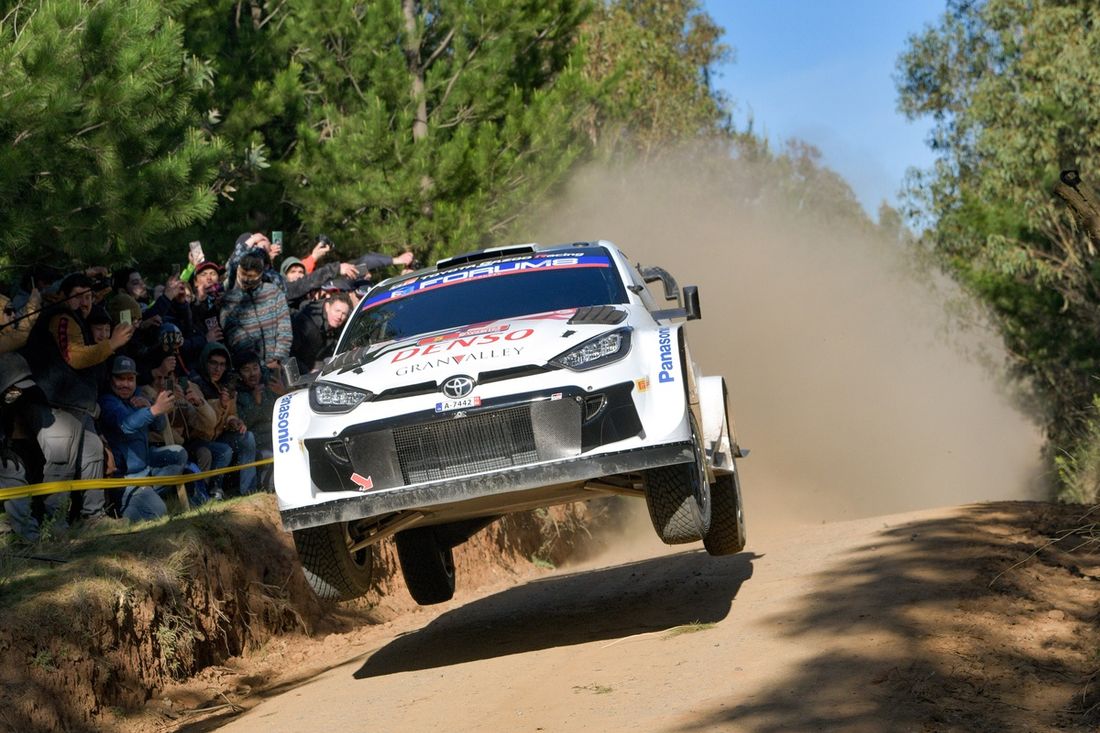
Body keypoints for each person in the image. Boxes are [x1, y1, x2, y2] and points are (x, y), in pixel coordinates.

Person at [21, 272, 134, 522]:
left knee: (93, 453)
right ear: (64, 296)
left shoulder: (77, 318)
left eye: (89, 296)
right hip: (54, 406)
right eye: (78, 296)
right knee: (60, 463)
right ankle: (56, 525)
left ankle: (92, 517)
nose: (85, 302)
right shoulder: (61, 317)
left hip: (77, 407)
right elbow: (75, 356)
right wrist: (112, 344)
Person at [98, 355, 187, 520]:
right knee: (159, 510)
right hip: (125, 478)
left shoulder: (138, 396)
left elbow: (160, 427)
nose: (126, 384)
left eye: (130, 379)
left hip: (145, 468)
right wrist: (153, 410)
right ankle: (124, 514)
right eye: (120, 379)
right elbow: (127, 426)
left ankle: (145, 496)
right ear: (111, 380)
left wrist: (151, 407)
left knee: (178, 454)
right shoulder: (107, 402)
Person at [0, 353, 57, 542]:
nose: (17, 394)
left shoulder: (14, 402)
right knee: (11, 473)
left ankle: (28, 536)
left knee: (14, 472)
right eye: (13, 389)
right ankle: (30, 540)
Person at [190, 343, 257, 496]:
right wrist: (220, 404)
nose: (217, 369)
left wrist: (234, 421)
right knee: (224, 451)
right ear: (204, 362)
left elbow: (231, 413)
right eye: (213, 363)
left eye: (222, 364)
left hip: (219, 436)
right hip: (198, 439)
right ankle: (215, 490)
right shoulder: (194, 384)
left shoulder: (227, 384)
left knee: (248, 437)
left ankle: (249, 491)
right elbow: (205, 423)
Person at [220, 252, 293, 374]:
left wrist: (278, 358)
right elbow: (234, 334)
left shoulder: (274, 292)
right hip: (248, 368)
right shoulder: (229, 299)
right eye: (244, 274)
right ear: (238, 270)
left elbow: (285, 328)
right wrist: (256, 363)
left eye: (252, 277)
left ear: (260, 274)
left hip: (276, 366)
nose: (247, 280)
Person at [290, 293, 352, 372]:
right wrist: (308, 372)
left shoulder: (339, 327)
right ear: (327, 307)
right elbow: (291, 355)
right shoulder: (308, 324)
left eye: (344, 314)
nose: (339, 316)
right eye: (337, 311)